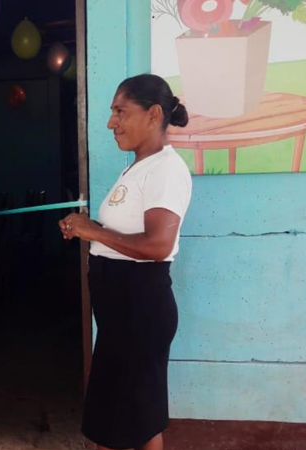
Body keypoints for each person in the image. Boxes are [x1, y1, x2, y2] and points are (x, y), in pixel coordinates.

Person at [59, 74, 192, 450]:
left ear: (152, 115)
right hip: (121, 314)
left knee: (140, 420)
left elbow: (158, 245)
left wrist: (94, 233)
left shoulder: (166, 170)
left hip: (140, 310)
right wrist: (87, 227)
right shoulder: (137, 167)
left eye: (120, 112)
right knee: (116, 419)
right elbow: (125, 234)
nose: (110, 122)